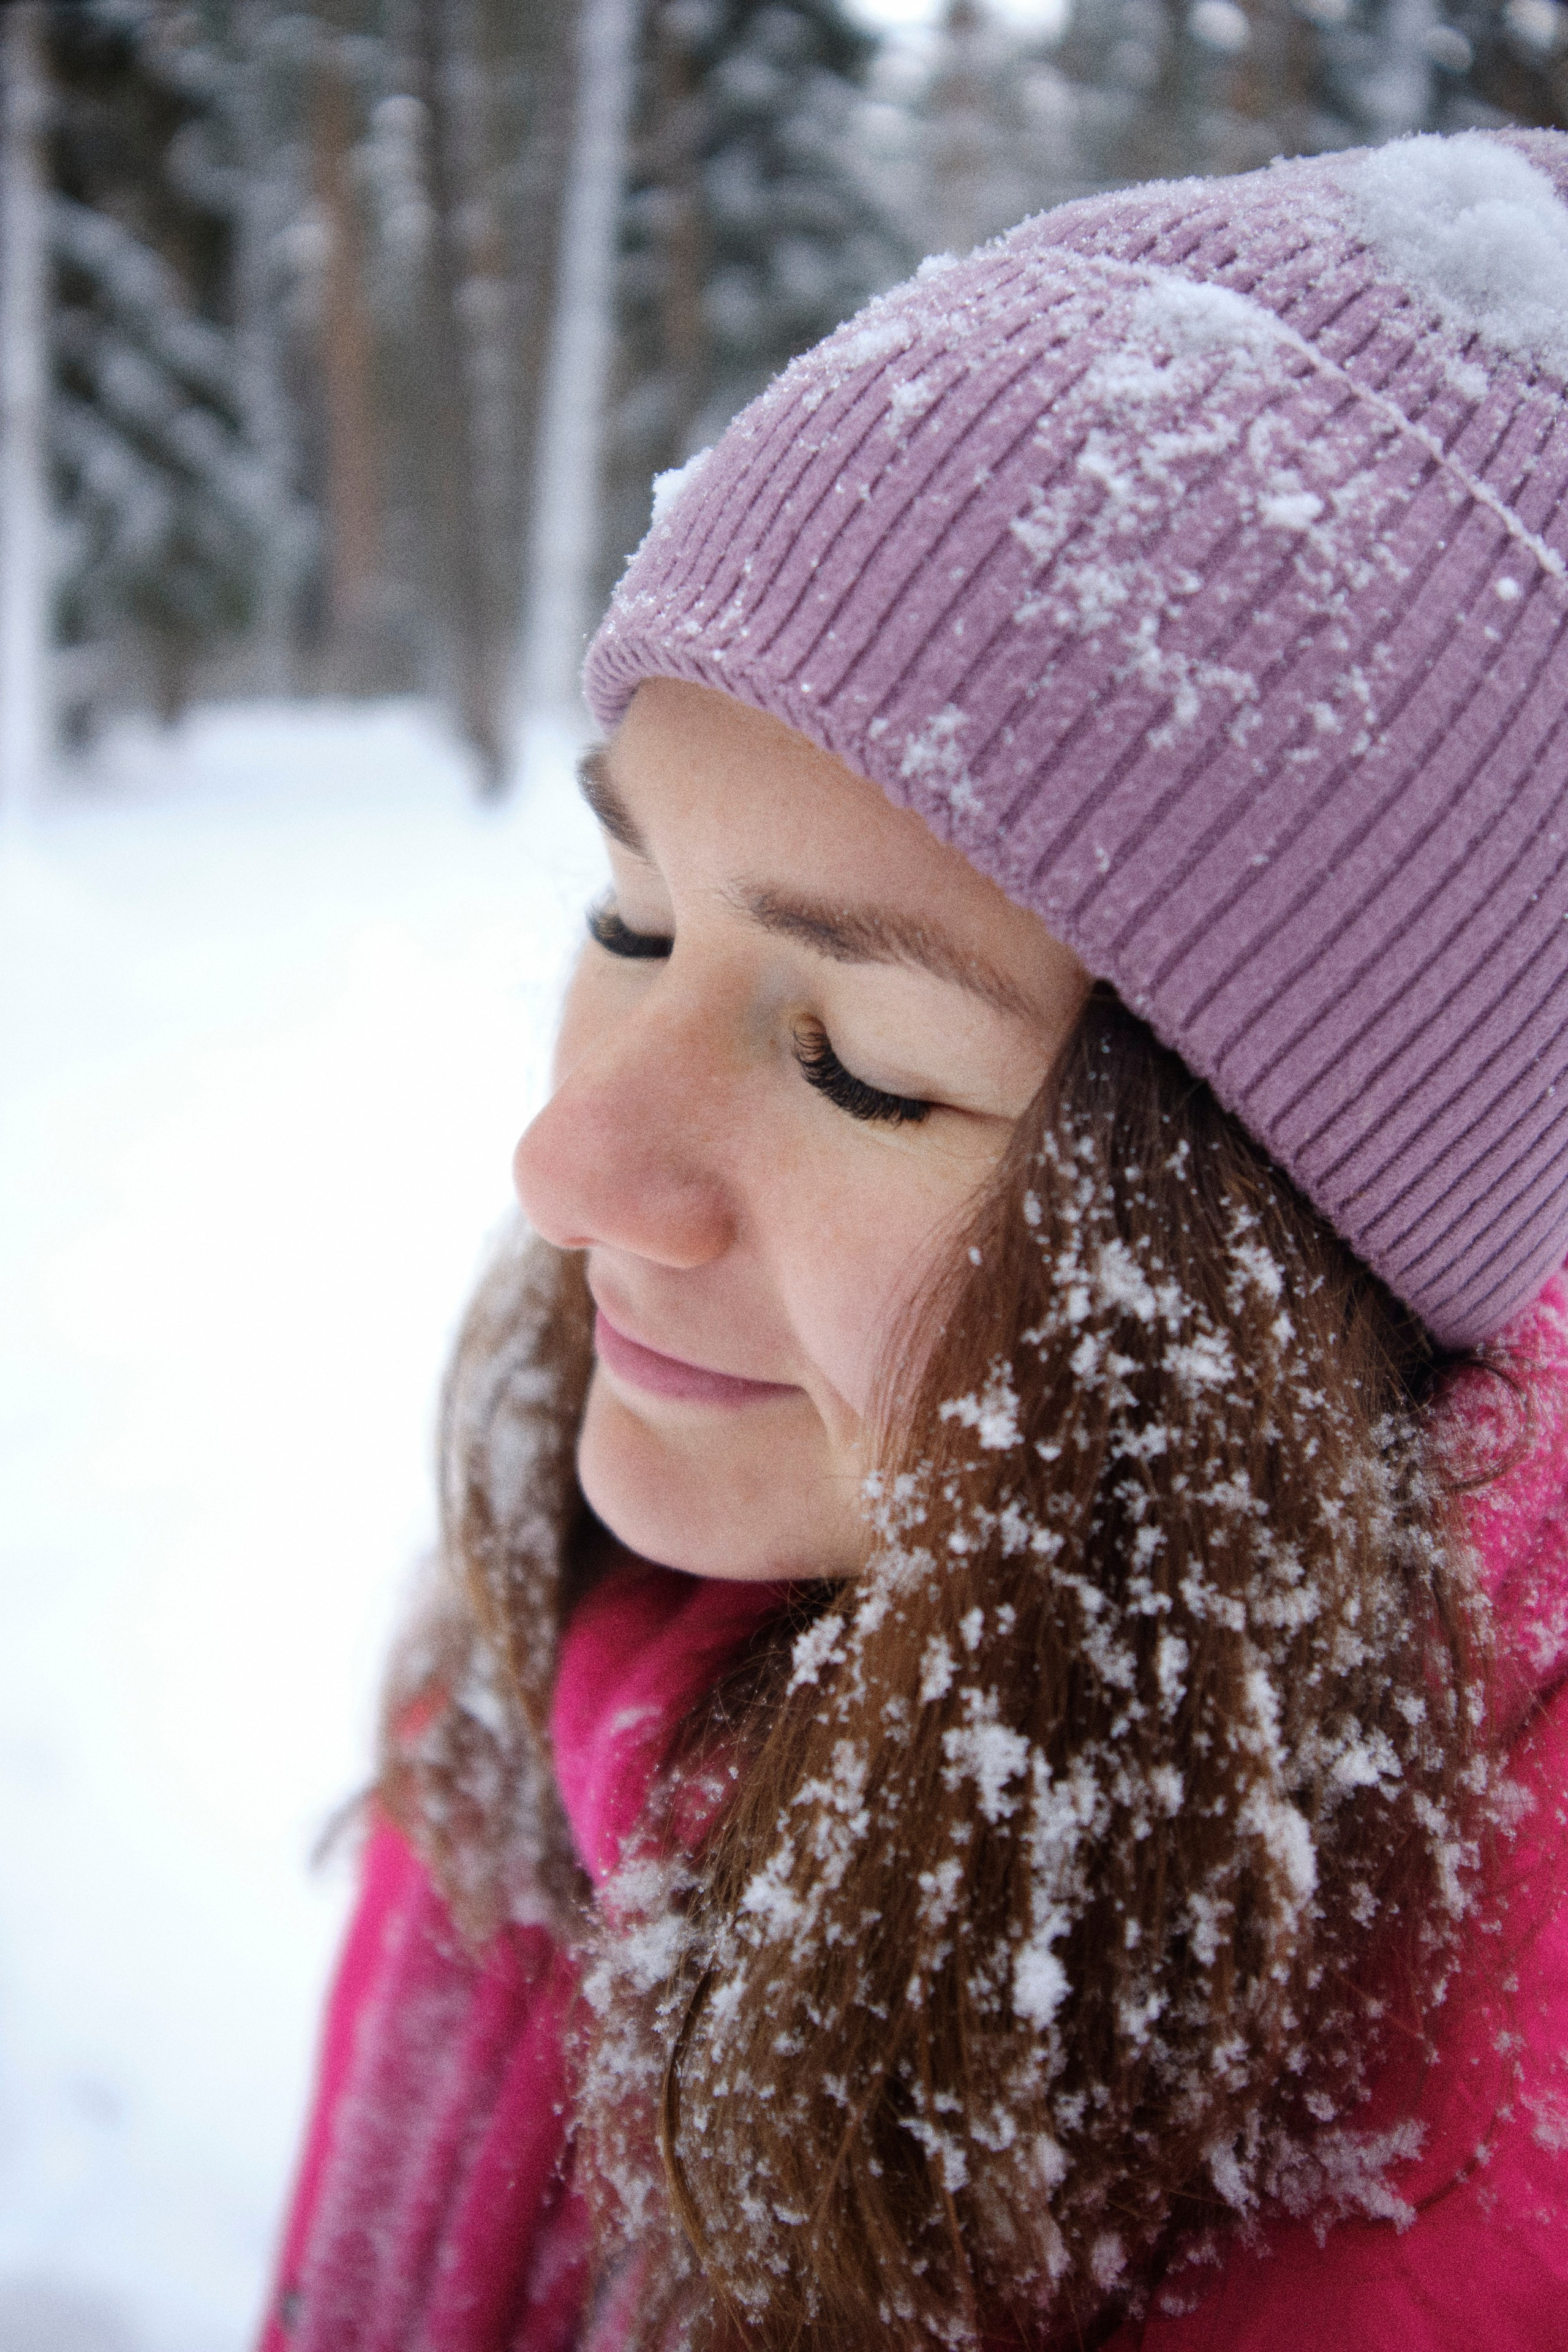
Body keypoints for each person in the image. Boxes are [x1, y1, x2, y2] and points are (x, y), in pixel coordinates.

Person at [260, 126, 1568, 2351]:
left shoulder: (1457, 2127)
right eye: (631, 917)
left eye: (860, 1060)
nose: (571, 1166)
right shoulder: (597, 1606)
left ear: (1266, 1288)